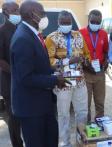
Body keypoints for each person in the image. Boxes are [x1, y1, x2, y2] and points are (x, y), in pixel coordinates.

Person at [10, 1, 69, 147]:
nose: (45, 17)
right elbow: (26, 77)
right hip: (32, 108)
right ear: (32, 15)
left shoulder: (32, 33)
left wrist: (55, 71)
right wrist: (54, 80)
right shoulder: (23, 38)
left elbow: (38, 65)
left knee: (50, 139)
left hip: (41, 104)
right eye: (42, 13)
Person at [45, 10, 90, 147]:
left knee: (82, 111)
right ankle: (65, 143)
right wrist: (67, 61)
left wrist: (86, 60)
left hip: (79, 80)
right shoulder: (51, 38)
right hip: (62, 81)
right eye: (63, 23)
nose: (66, 25)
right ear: (58, 23)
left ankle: (80, 139)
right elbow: (48, 61)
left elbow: (86, 53)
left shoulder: (78, 35)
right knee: (63, 114)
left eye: (68, 22)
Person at [0, 1, 23, 147]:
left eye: (18, 10)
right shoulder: (2, 31)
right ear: (5, 12)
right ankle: (17, 144)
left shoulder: (20, 29)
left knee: (23, 115)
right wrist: (16, 73)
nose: (17, 13)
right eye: (14, 10)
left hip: (24, 82)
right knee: (14, 118)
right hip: (10, 82)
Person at [80, 10, 108, 121]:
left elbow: (106, 51)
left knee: (100, 103)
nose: (95, 24)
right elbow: (78, 52)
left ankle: (99, 126)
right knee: (85, 104)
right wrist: (86, 65)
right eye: (93, 21)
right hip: (86, 72)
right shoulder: (80, 33)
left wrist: (106, 61)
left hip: (99, 72)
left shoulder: (104, 34)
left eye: (98, 22)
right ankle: (87, 128)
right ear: (88, 20)